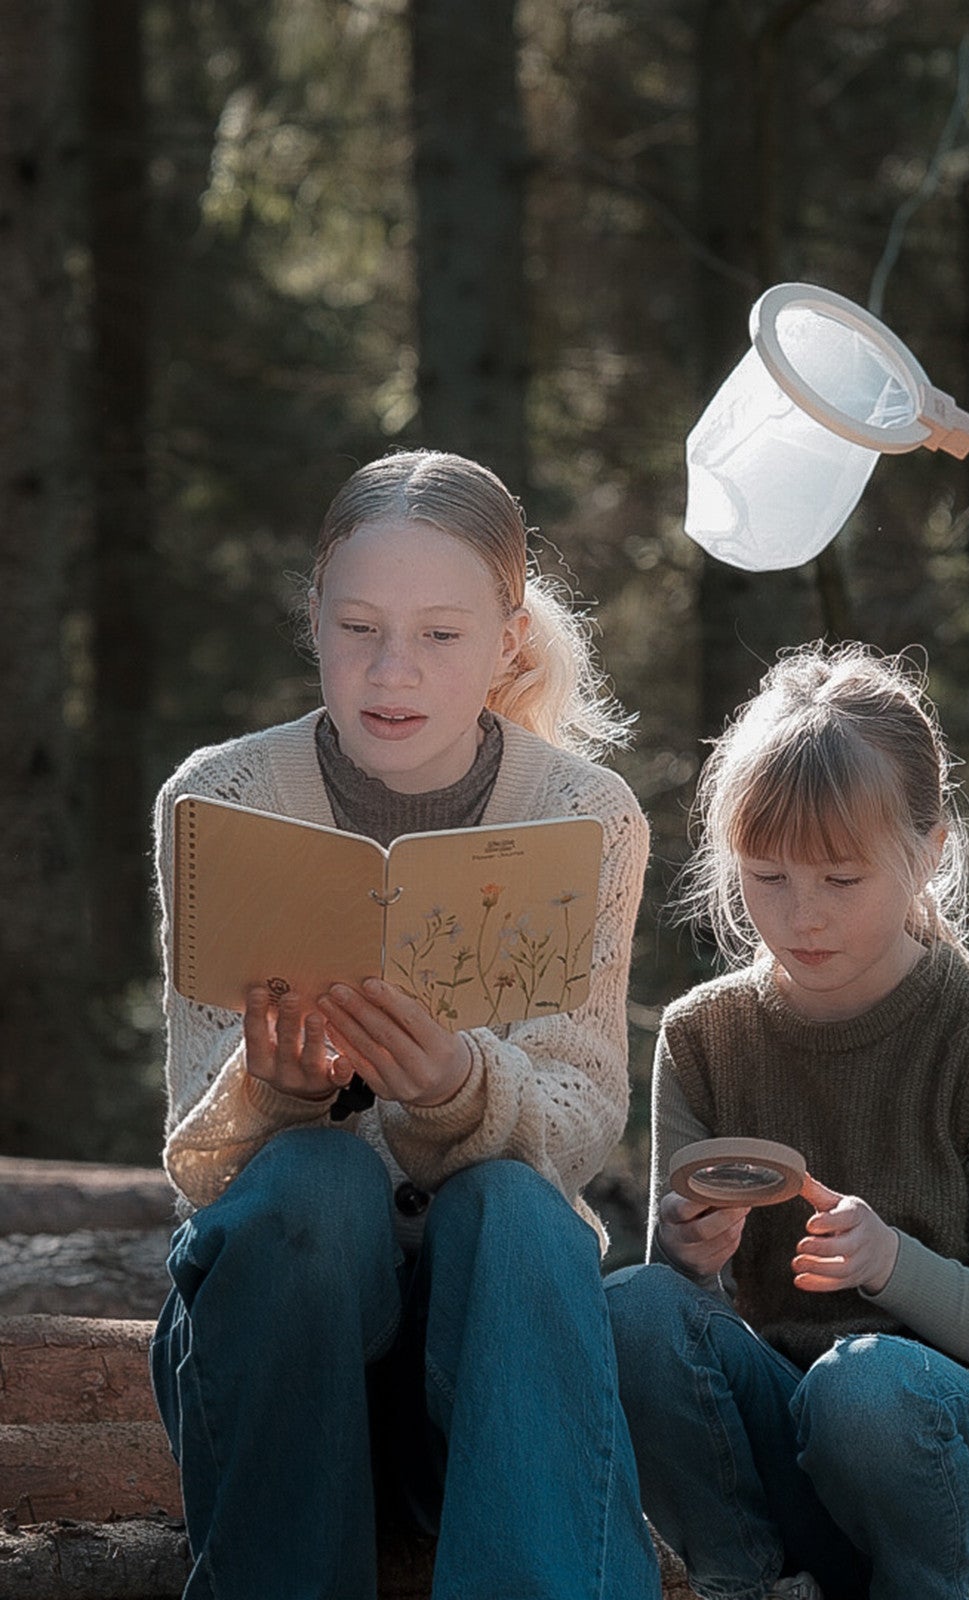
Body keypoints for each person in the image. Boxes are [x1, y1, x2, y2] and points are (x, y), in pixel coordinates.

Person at [149, 449, 659, 1597]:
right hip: (276, 1361)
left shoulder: (586, 815)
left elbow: (580, 1119)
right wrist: (275, 1091)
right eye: (360, 626)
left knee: (521, 1211)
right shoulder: (217, 799)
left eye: (440, 634)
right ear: (314, 616)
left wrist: (456, 1091)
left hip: (493, 1384)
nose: (393, 669)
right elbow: (196, 1153)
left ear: (506, 641)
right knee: (316, 1184)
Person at [604, 644, 969, 1600]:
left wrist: (889, 1265)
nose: (800, 918)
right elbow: (687, 1341)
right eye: (768, 877)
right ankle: (741, 1579)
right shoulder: (705, 1036)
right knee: (633, 1310)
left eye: (841, 879)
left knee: (866, 1388)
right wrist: (689, 1257)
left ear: (928, 853)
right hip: (791, 1453)